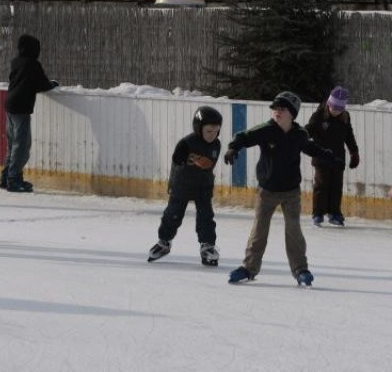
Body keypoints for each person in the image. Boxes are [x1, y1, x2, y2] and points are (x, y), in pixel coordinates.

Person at [224, 91, 339, 286]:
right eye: (275, 109)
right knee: (259, 231)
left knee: (294, 231)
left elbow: (312, 148)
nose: (277, 112)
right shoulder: (266, 130)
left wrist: (330, 157)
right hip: (266, 191)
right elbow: (244, 136)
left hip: (291, 193)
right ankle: (249, 268)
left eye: (282, 109)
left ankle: (300, 269)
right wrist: (233, 147)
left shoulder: (299, 134)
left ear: (292, 114)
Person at [148, 106, 223, 266]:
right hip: (182, 184)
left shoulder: (216, 144)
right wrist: (190, 158)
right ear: (199, 128)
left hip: (203, 186)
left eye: (216, 131)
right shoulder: (187, 143)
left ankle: (207, 246)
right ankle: (164, 242)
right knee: (172, 214)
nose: (213, 135)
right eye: (209, 131)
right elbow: (177, 158)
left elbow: (209, 164)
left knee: (206, 217)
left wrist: (203, 164)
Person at [0, 34, 58, 192]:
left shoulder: (15, 62)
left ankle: (5, 177)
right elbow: (42, 84)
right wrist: (53, 84)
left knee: (13, 144)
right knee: (22, 146)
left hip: (10, 105)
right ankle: (14, 179)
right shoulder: (33, 65)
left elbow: (27, 82)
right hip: (21, 107)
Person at [305, 86, 359, 227]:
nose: (335, 112)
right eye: (333, 109)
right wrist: (300, 137)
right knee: (321, 185)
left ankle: (335, 213)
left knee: (336, 186)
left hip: (338, 158)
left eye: (339, 110)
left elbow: (349, 136)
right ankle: (318, 213)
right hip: (321, 157)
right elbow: (309, 129)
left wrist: (354, 152)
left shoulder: (345, 117)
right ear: (329, 104)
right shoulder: (318, 115)